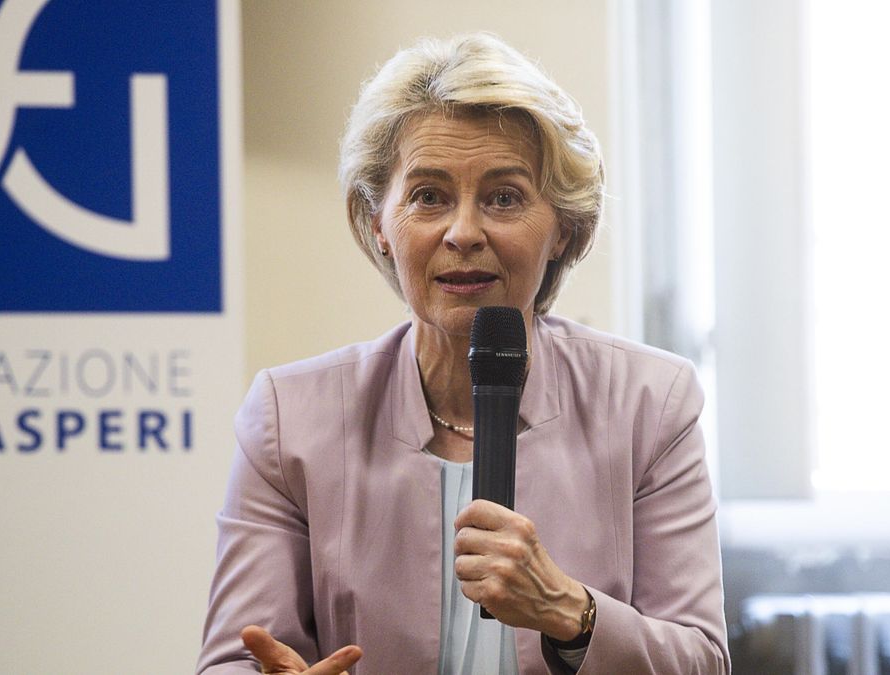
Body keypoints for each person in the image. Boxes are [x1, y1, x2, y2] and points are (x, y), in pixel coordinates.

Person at [197, 32, 730, 675]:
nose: (464, 232)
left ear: (563, 228)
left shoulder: (651, 403)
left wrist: (572, 612)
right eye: (428, 196)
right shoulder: (290, 417)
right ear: (378, 224)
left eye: (504, 197)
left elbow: (702, 660)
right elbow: (234, 660)